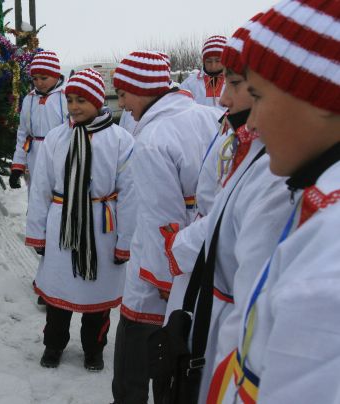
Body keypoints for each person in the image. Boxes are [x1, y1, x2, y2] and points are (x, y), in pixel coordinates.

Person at [206, 2, 340, 402]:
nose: (252, 123)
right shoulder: (310, 195)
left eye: (258, 96)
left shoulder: (326, 274)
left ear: (324, 98)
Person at [160, 14, 294, 403]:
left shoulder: (275, 170)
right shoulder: (239, 141)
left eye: (236, 83)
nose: (222, 98)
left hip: (228, 316)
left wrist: (183, 245)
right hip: (211, 303)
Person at [111, 51, 220, 403]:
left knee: (138, 356)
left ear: (142, 89)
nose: (123, 103)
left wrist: (163, 280)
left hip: (164, 265)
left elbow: (162, 217)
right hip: (204, 250)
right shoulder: (208, 116)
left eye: (124, 92)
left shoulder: (152, 140)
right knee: (182, 351)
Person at [25, 68, 136, 371]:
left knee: (97, 301)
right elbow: (41, 188)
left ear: (99, 101)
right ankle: (54, 345)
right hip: (62, 226)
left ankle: (94, 349)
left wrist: (125, 241)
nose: (74, 106)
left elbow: (129, 193)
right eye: (71, 99)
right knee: (59, 298)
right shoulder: (56, 138)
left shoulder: (120, 140)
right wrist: (37, 232)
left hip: (101, 229)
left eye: (82, 100)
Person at [10, 50, 67, 189]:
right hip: (34, 156)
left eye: (44, 78)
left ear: (56, 75)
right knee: (37, 195)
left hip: (60, 155)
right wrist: (18, 165)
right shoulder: (29, 98)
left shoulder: (67, 97)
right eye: (35, 79)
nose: (39, 83)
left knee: (59, 196)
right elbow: (23, 132)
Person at [180, 36, 228, 111]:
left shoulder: (236, 82)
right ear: (203, 61)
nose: (213, 66)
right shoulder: (190, 84)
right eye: (209, 61)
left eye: (218, 61)